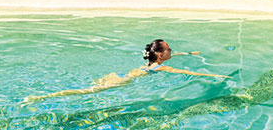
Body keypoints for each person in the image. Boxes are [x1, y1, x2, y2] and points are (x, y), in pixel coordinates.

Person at [23, 39, 225, 102]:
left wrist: (189, 53)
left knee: (87, 88)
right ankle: (42, 97)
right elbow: (188, 74)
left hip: (117, 76)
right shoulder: (161, 67)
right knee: (84, 92)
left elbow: (177, 57)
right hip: (121, 81)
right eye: (169, 49)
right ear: (161, 55)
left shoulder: (151, 63)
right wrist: (214, 75)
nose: (172, 51)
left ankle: (44, 95)